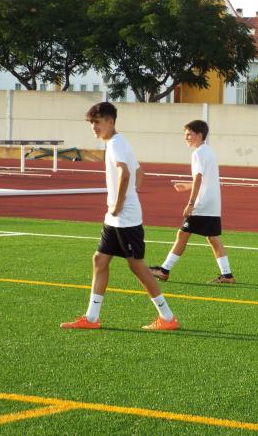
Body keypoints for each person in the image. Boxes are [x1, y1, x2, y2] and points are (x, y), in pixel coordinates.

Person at [61, 102, 179, 331]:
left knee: (137, 267)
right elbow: (139, 173)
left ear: (111, 122)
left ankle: (167, 318)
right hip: (115, 218)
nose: (94, 127)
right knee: (100, 260)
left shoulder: (115, 144)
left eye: (97, 122)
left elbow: (126, 173)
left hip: (124, 217)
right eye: (92, 123)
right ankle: (92, 318)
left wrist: (119, 203)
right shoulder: (119, 142)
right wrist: (121, 202)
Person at [150, 120, 235, 284]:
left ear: (199, 135)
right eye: (185, 135)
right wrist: (187, 186)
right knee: (213, 238)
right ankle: (227, 275)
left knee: (183, 234)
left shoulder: (197, 153)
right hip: (213, 203)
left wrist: (190, 203)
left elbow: (199, 178)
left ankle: (164, 270)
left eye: (189, 134)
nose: (186, 138)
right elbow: (205, 180)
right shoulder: (209, 151)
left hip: (202, 205)